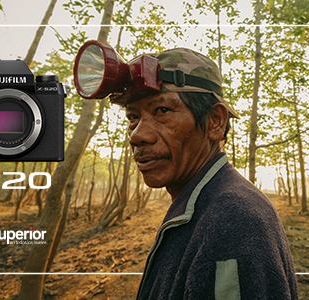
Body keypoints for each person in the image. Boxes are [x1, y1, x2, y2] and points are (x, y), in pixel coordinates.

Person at [114, 47, 298, 300]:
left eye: (162, 111)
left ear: (215, 122)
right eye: (133, 117)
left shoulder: (232, 221)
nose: (137, 136)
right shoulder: (200, 206)